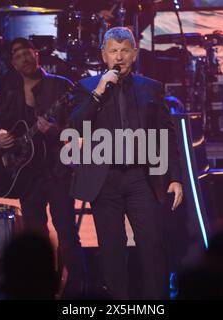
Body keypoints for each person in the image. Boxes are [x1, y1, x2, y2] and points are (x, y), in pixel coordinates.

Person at [70, 27, 183, 299]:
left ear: (134, 54)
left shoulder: (151, 88)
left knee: (152, 244)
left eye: (124, 51)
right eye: (113, 51)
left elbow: (166, 135)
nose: (118, 57)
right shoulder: (86, 87)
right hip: (104, 177)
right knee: (111, 248)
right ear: (104, 55)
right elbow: (75, 126)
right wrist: (98, 92)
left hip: (140, 176)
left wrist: (175, 177)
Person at [0, 38, 85, 298]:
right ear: (13, 64)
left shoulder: (62, 87)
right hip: (26, 178)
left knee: (67, 233)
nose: (23, 59)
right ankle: (39, 291)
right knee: (36, 236)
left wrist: (54, 131)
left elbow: (80, 133)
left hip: (58, 172)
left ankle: (77, 292)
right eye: (17, 56)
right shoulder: (9, 92)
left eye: (27, 53)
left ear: (36, 55)